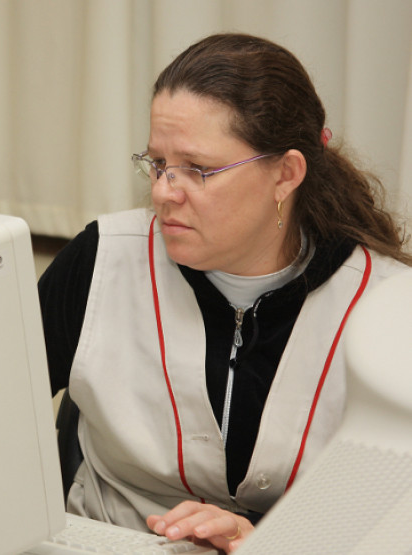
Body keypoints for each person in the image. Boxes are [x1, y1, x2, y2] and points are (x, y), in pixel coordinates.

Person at [38, 33, 412, 553]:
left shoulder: (389, 310)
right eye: (158, 164)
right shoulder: (102, 260)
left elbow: (395, 518)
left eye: (199, 170)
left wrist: (266, 542)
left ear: (285, 174)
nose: (166, 190)